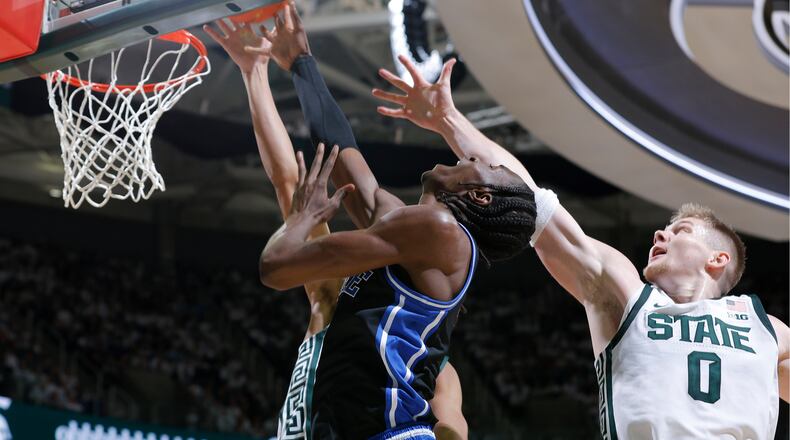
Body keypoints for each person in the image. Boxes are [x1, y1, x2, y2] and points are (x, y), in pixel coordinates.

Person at [373, 54, 790, 439]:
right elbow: (530, 200)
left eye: (680, 231)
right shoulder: (628, 296)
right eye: (663, 228)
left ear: (719, 259)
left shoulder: (766, 328)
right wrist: (449, 120)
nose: (660, 235)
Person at [252, 4, 537, 439]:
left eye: (482, 164)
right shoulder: (411, 231)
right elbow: (340, 155)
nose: (471, 156)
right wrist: (300, 64)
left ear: (479, 196)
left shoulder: (440, 233)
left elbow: (275, 268)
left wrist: (301, 219)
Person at [202, 10, 471, 439]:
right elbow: (290, 182)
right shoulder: (334, 298)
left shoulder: (432, 372)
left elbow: (453, 431)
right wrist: (255, 73)